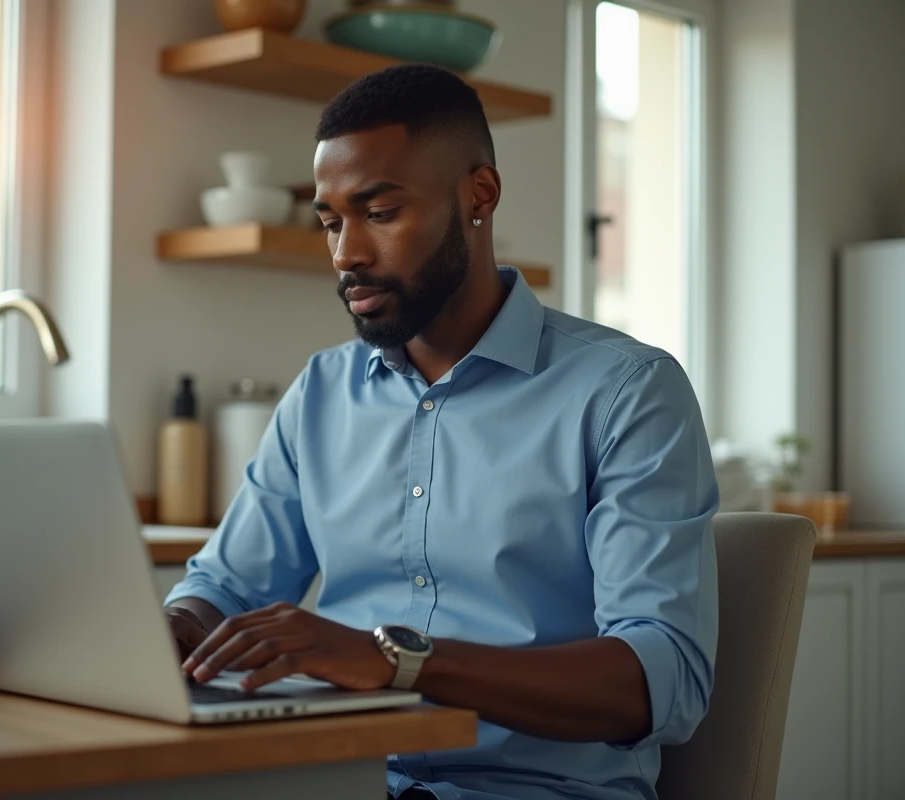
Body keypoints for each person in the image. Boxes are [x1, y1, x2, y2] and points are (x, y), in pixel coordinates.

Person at [163, 64, 718, 800]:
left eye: (380, 212)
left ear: (478, 195)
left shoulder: (626, 391)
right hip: (337, 781)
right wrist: (177, 626)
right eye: (331, 222)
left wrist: (397, 660)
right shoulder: (320, 394)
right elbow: (226, 587)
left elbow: (661, 680)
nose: (347, 254)